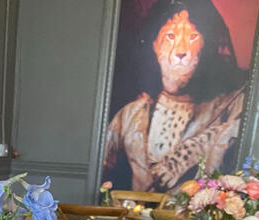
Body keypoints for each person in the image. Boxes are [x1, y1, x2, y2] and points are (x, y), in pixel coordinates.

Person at [103, 0, 246, 191]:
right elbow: (99, 169)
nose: (181, 50)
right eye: (170, 36)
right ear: (154, 44)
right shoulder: (131, 114)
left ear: (207, 47)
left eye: (193, 37)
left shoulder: (227, 107)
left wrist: (189, 153)